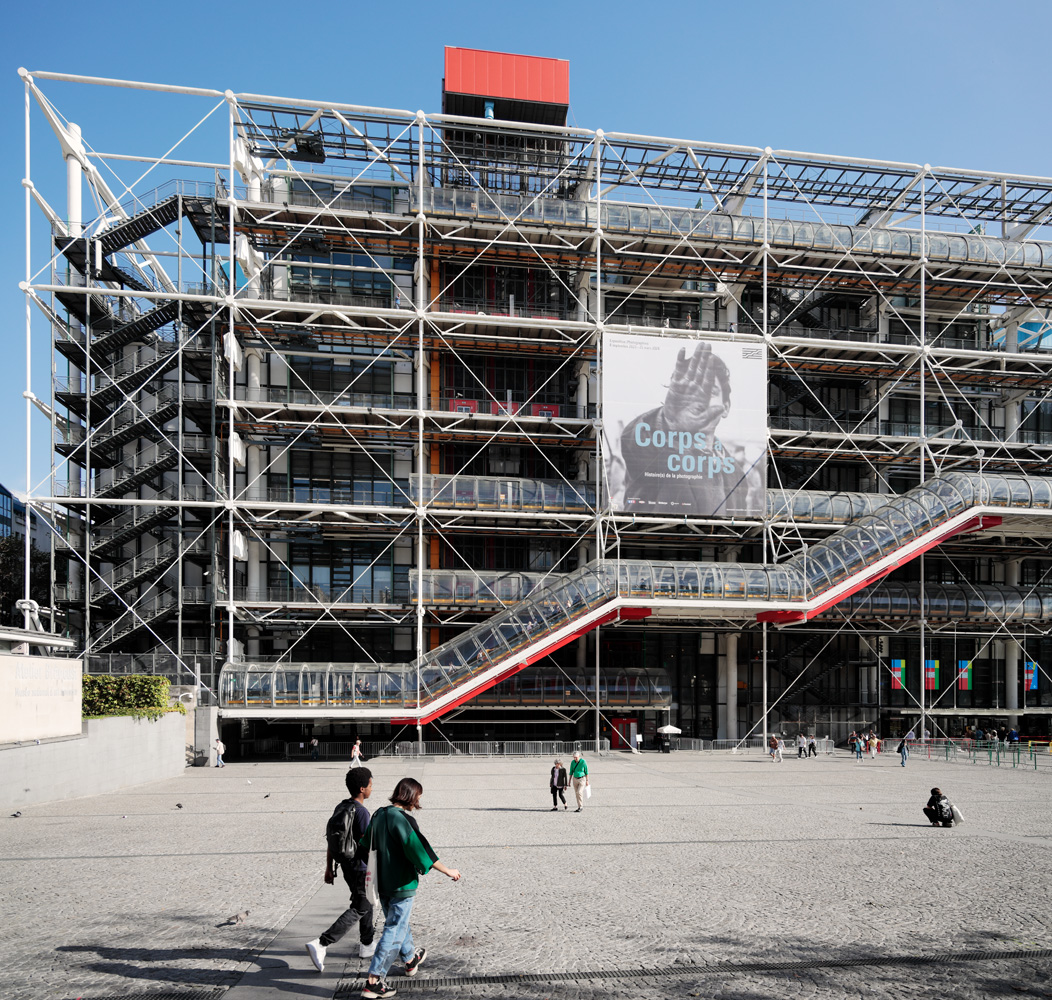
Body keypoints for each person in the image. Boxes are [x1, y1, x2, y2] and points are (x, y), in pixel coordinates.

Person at [616, 343, 754, 517]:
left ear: (725, 407)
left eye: (711, 392)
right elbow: (634, 442)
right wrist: (670, 423)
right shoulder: (655, 450)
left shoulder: (736, 474)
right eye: (694, 394)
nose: (700, 402)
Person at [358, 777, 461, 999]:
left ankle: (410, 959)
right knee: (394, 929)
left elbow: (365, 845)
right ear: (411, 796)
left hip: (382, 882)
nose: (418, 802)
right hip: (401, 884)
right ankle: (374, 981)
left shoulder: (378, 814)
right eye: (418, 797)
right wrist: (447, 870)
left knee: (398, 922)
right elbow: (420, 850)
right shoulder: (403, 820)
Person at [305, 767, 376, 973]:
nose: (372, 788)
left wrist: (329, 867)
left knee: (365, 902)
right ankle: (322, 943)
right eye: (371, 785)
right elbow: (368, 845)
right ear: (362, 789)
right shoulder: (361, 812)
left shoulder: (342, 806)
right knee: (360, 906)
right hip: (361, 867)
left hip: (346, 866)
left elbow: (332, 839)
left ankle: (367, 944)